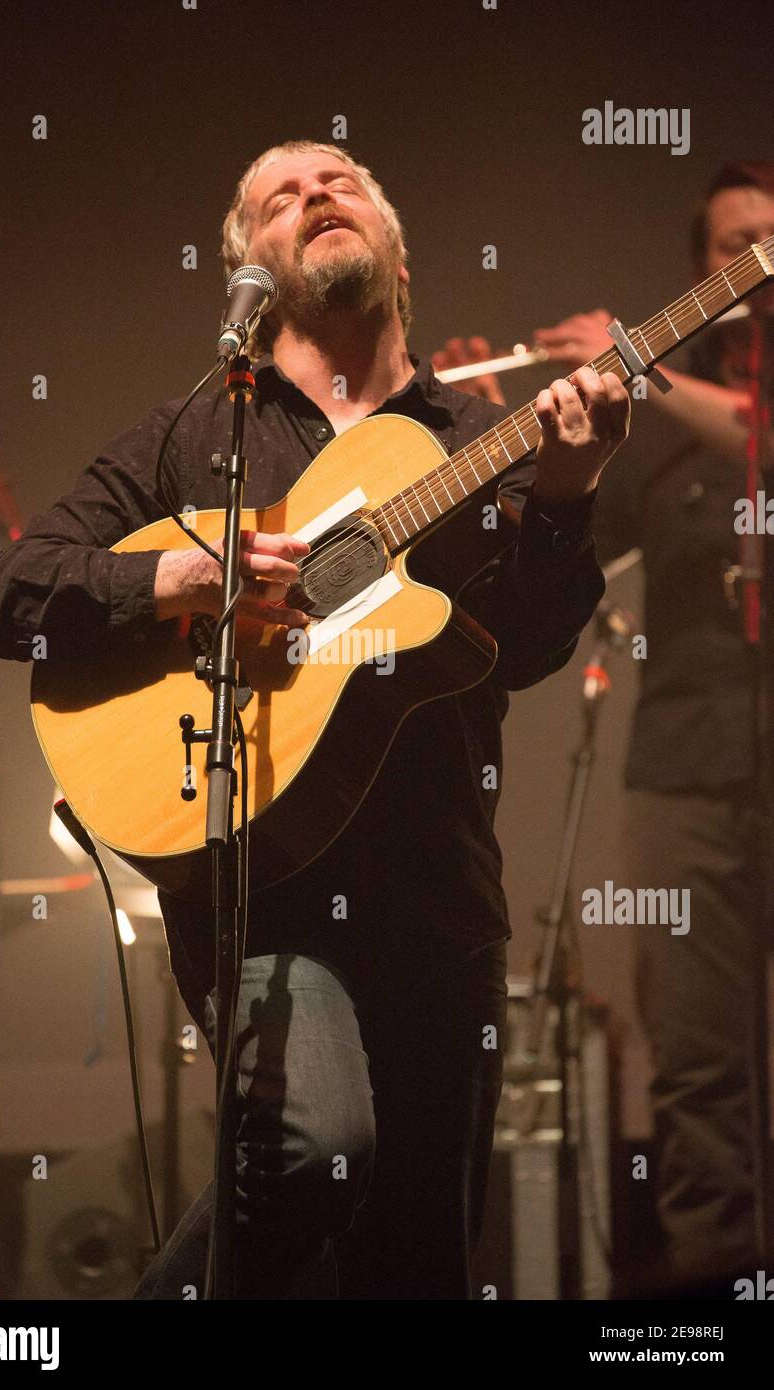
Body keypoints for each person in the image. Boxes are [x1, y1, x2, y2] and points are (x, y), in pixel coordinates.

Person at [0, 140, 629, 1299]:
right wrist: (176, 577)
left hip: (440, 897)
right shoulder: (194, 440)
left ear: (392, 242)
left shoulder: (475, 439)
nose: (315, 194)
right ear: (251, 269)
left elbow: (519, 651)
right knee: (315, 1152)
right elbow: (6, 596)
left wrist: (567, 500)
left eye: (339, 182)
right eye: (280, 197)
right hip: (261, 889)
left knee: (417, 1269)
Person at [441, 160, 774, 1284]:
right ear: (703, 274)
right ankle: (711, 1286)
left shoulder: (699, 404)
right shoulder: (663, 428)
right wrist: (472, 425)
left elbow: (758, 431)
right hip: (683, 768)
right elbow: (558, 511)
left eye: (769, 240)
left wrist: (638, 360)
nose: (754, 263)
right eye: (731, 246)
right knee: (692, 1057)